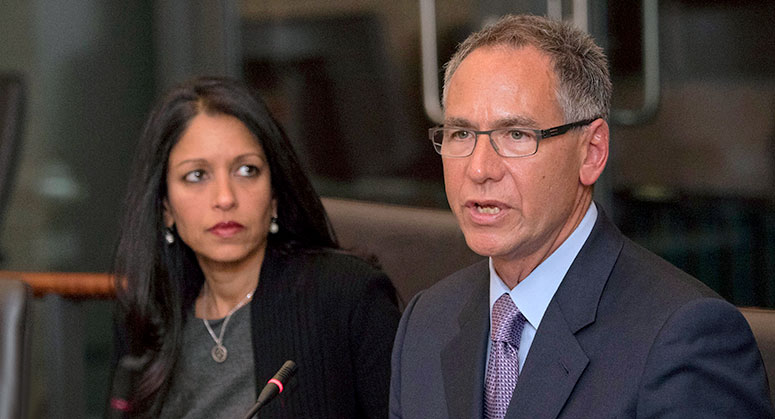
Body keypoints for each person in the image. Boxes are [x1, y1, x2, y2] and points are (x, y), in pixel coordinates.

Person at [390, 14, 773, 419]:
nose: (480, 168)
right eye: (461, 134)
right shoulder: (426, 321)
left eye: (517, 135)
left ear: (592, 152)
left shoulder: (683, 337)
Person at [110, 76, 400, 418]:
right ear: (165, 207)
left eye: (247, 170)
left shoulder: (347, 295)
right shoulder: (149, 314)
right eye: (197, 175)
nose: (225, 198)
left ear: (274, 194)